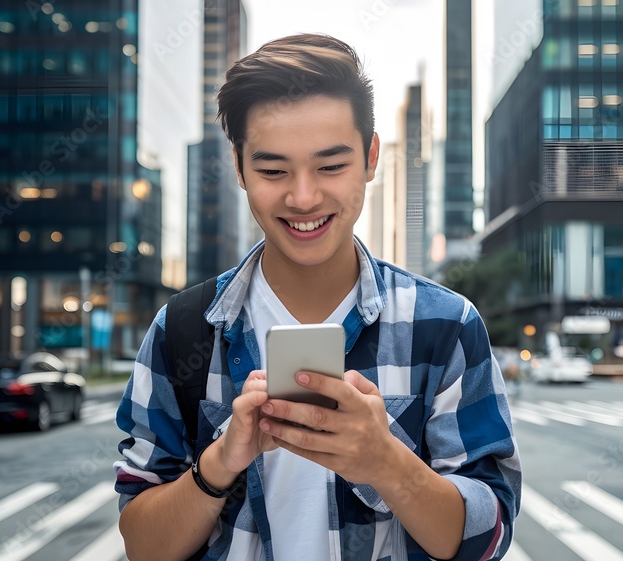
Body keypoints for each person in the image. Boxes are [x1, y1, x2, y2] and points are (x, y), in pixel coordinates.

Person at [114, 33, 521, 561]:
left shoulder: (444, 325)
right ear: (238, 167)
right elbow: (143, 545)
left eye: (331, 166)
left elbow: (487, 538)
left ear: (371, 157)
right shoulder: (183, 328)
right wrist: (218, 464)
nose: (303, 197)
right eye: (273, 170)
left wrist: (385, 462)